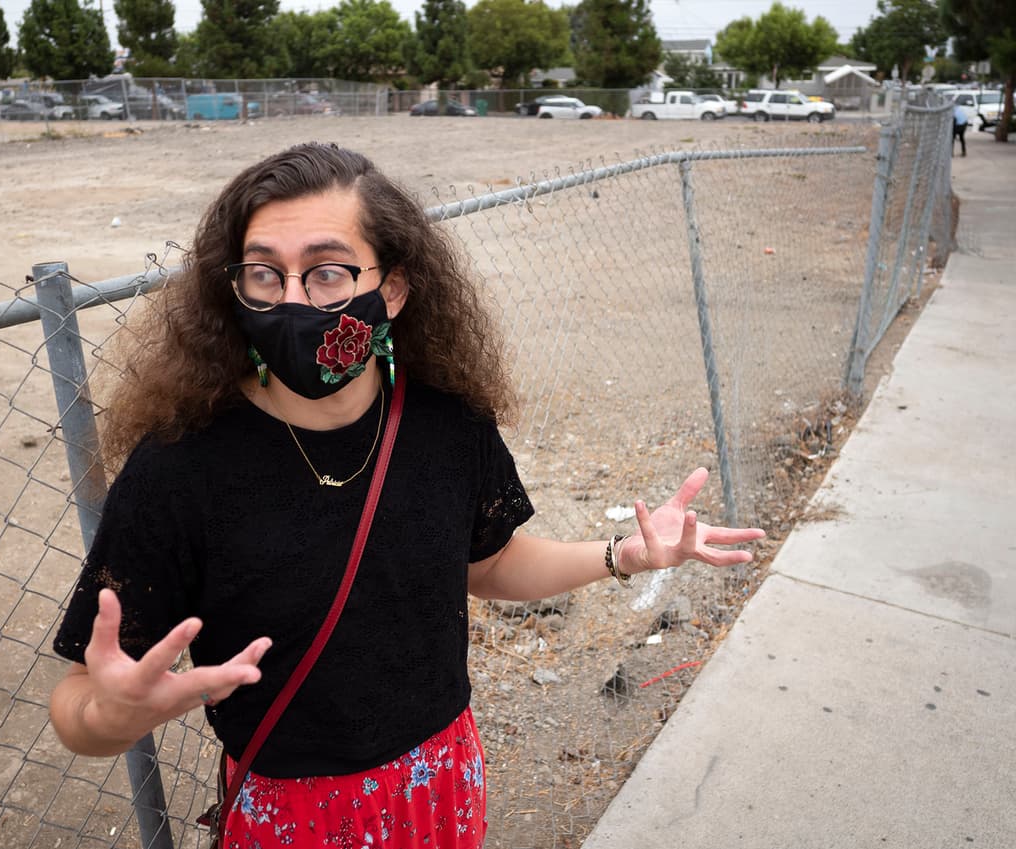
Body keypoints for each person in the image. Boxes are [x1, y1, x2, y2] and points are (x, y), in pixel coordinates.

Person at [48, 142, 765, 849]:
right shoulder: (179, 466)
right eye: (265, 275)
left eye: (328, 272)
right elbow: (80, 699)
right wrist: (114, 713)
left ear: (392, 288)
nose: (293, 301)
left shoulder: (446, 420)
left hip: (441, 784)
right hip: (291, 817)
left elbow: (487, 563)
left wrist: (621, 555)